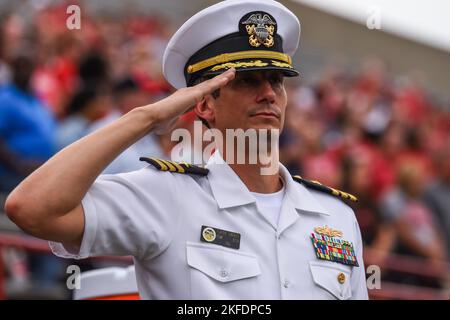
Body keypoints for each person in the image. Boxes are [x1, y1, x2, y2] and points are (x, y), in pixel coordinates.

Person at [5, 0, 368, 299]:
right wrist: (146, 117)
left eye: (277, 80)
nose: (269, 94)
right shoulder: (166, 195)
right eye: (247, 81)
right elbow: (31, 208)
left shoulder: (334, 216)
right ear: (205, 104)